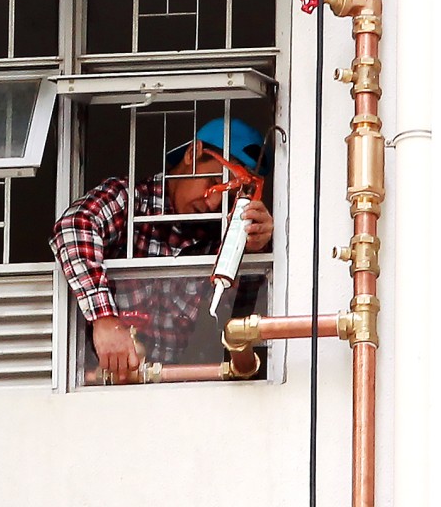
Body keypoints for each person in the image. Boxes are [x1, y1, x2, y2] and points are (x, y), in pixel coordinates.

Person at [49, 117, 274, 383]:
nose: (213, 202)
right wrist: (105, 320)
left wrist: (257, 251)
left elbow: (243, 319)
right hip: (93, 384)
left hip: (171, 389)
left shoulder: (220, 240)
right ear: (193, 153)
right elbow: (73, 227)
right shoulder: (131, 201)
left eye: (226, 196)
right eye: (213, 181)